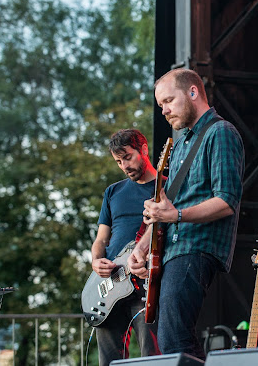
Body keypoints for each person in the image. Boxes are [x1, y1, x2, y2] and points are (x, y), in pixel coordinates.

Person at [128, 68, 244, 359]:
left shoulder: (220, 132)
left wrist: (176, 216)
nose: (164, 111)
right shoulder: (180, 143)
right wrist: (141, 248)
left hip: (196, 247)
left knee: (173, 339)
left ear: (193, 92)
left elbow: (227, 200)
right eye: (160, 105)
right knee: (168, 340)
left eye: (168, 101)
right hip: (171, 250)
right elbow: (167, 208)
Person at [92, 129, 161, 365]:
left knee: (150, 357)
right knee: (108, 360)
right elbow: (101, 239)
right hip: (110, 285)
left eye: (128, 157)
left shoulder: (166, 187)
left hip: (146, 282)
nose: (124, 166)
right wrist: (96, 261)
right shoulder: (113, 192)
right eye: (118, 161)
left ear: (144, 150)